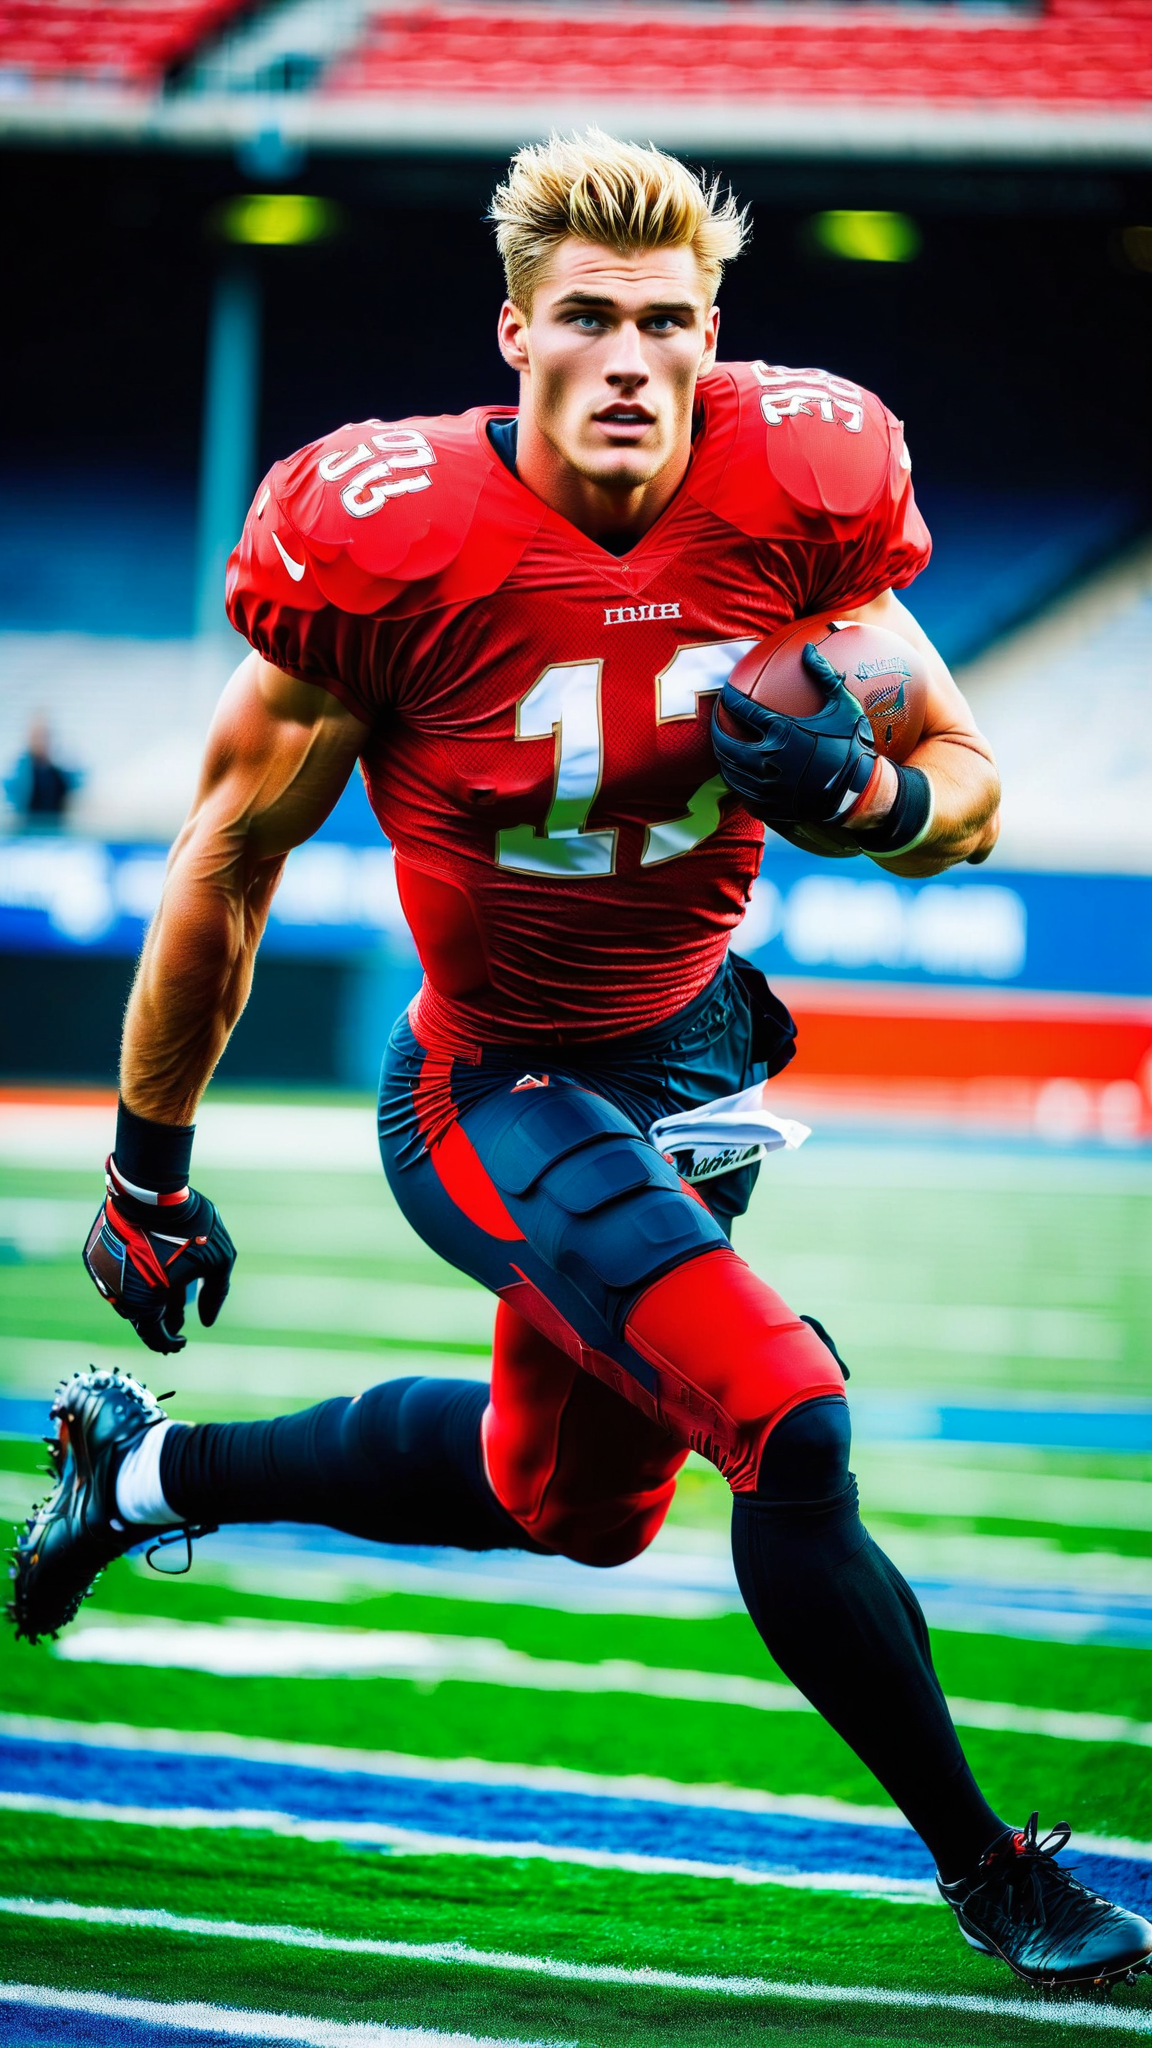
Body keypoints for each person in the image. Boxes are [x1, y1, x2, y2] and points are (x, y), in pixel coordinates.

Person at [12, 131, 1150, 1994]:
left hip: (692, 1070)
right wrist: (146, 1166)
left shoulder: (797, 492)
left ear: (715, 339)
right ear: (516, 333)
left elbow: (967, 790)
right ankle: (993, 1871)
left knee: (576, 1509)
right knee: (787, 1414)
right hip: (492, 1086)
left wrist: (867, 795)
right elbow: (227, 856)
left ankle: (144, 1476)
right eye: (592, 318)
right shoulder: (388, 537)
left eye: (669, 323)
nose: (632, 358)